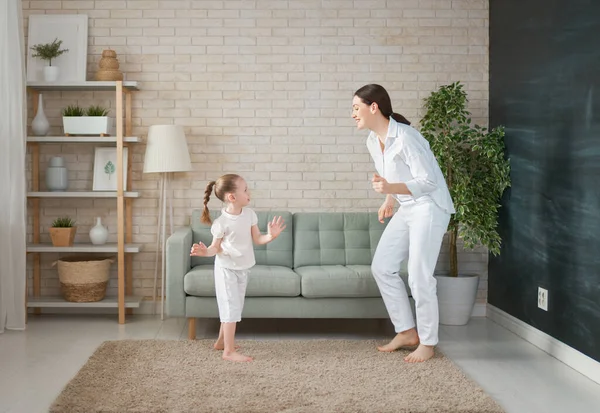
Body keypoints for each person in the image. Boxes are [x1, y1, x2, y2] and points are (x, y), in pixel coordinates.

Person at [352, 84, 455, 363]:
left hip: (430, 206)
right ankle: (407, 332)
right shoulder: (373, 141)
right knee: (382, 267)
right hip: (408, 206)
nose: (353, 114)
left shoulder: (407, 137)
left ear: (374, 107)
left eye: (356, 108)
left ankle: (428, 342)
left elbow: (428, 182)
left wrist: (389, 188)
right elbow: (391, 177)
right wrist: (388, 200)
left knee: (419, 274)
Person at [190, 173, 286, 362]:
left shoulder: (249, 215)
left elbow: (258, 239)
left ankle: (220, 342)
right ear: (232, 197)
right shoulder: (221, 223)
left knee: (234, 307)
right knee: (231, 308)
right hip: (226, 270)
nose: (249, 193)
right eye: (245, 190)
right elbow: (214, 249)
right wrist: (204, 252)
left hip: (243, 269)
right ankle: (228, 351)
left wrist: (271, 236)